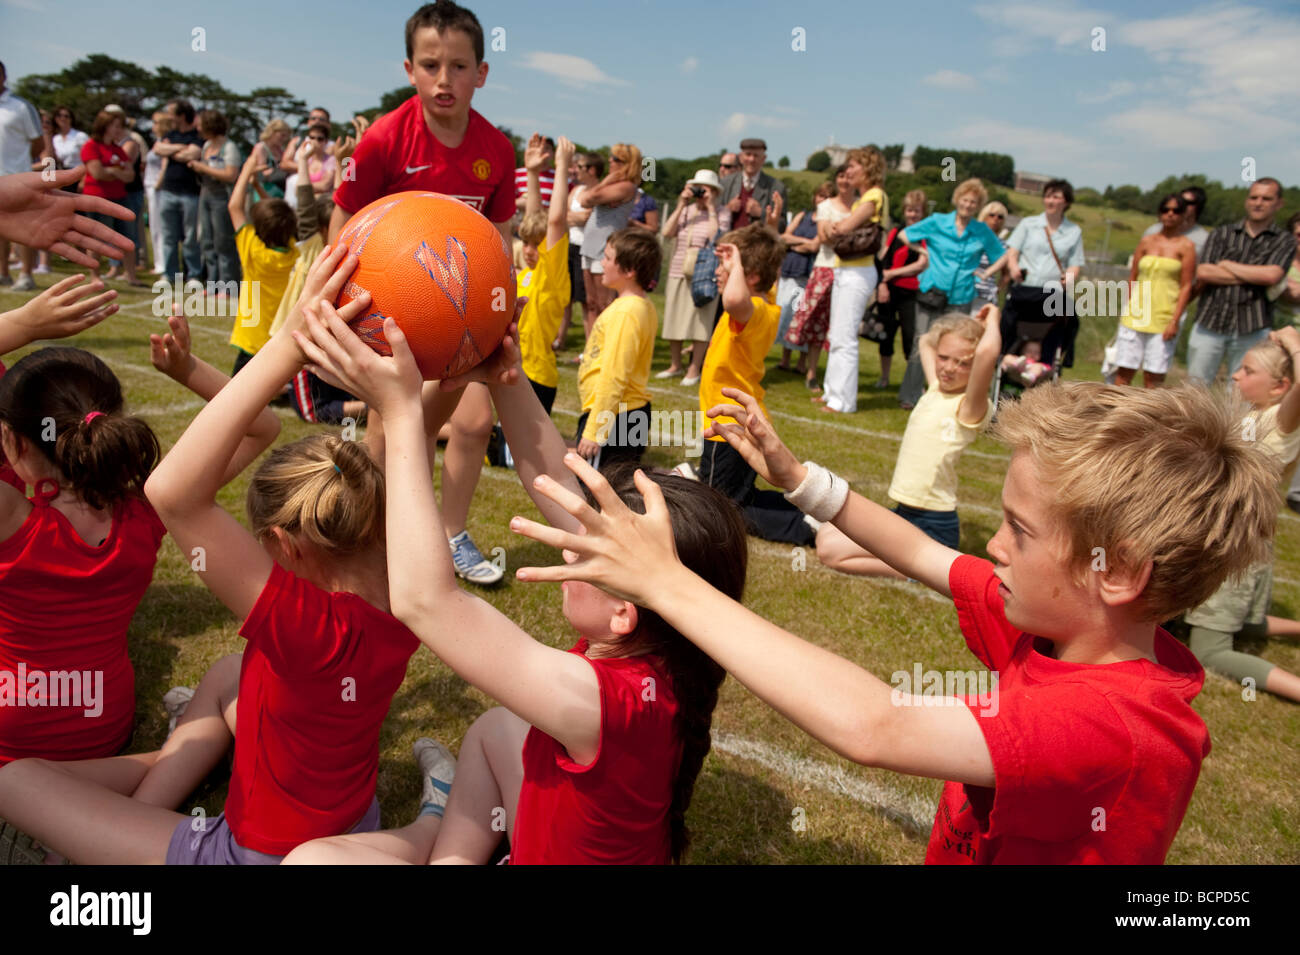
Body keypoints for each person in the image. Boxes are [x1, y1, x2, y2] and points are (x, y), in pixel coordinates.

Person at [511, 379, 1279, 864]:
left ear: (1118, 573)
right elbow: (920, 550)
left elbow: (874, 725)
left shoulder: (1118, 727)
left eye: (1018, 527)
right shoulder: (1059, 625)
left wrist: (665, 582)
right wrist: (802, 480)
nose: (994, 545)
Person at [282, 303, 746, 865]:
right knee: (497, 731)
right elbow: (555, 482)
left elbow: (426, 601)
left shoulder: (597, 702)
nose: (569, 539)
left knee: (312, 861)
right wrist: (506, 375)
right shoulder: (664, 651)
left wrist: (405, 416)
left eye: (586, 547)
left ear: (624, 612)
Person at [0, 247, 423, 864]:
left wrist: (20, 328)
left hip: (46, 752)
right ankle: (147, 794)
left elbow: (183, 487)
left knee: (14, 784)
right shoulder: (411, 593)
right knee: (230, 671)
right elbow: (269, 435)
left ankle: (121, 821)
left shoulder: (302, 626)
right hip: (126, 728)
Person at [0, 276, 278, 768]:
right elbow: (263, 426)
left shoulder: (12, 518)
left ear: (15, 443)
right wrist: (188, 370)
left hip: (12, 741)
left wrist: (20, 326)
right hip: (105, 728)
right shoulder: (151, 507)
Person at [331, 0, 526, 587]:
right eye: (431, 64)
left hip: (463, 318)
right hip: (389, 317)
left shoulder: (497, 150)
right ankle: (378, 534)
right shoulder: (383, 141)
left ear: (482, 73)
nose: (446, 79)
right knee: (388, 427)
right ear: (410, 69)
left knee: (469, 424)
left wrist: (499, 311)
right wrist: (341, 311)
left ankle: (449, 534)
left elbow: (500, 240)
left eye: (460, 66)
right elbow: (341, 227)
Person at [818, 310, 1000, 577]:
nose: (949, 367)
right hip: (905, 513)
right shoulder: (937, 388)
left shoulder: (970, 405)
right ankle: (919, 560)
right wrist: (970, 325)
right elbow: (926, 339)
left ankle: (919, 567)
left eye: (962, 363)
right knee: (827, 531)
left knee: (829, 551)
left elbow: (987, 353)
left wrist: (992, 319)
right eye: (944, 357)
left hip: (932, 522)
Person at [1182, 328, 1300, 703]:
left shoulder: (1281, 422)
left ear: (1281, 386)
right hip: (1234, 546)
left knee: (1209, 651)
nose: (1236, 374)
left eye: (1248, 371)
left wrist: (1294, 344)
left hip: (1237, 550)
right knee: (1244, 625)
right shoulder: (1254, 416)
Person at [692, 223, 814, 546]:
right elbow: (766, 262)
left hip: (728, 425)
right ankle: (806, 512)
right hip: (741, 421)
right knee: (735, 494)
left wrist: (737, 266)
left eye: (726, 266)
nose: (719, 271)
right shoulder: (765, 303)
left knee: (725, 507)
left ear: (752, 276)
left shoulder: (752, 309)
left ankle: (803, 526)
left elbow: (733, 299)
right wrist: (767, 232)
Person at [896, 179, 1005, 409]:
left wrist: (987, 274)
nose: (967, 205)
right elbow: (905, 235)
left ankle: (946, 397)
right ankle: (910, 395)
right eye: (964, 200)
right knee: (922, 342)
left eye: (973, 202)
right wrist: (922, 252)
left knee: (955, 349)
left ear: (977, 206)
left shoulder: (982, 231)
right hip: (932, 290)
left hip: (962, 295)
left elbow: (1002, 256)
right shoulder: (937, 222)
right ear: (957, 200)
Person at [1186, 178, 1296, 385]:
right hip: (1210, 321)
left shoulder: (1284, 240)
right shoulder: (1222, 233)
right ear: (1247, 200)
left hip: (1253, 326)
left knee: (1243, 392)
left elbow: (1271, 276)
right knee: (1194, 388)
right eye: (1254, 197)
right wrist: (1255, 274)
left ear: (1279, 203)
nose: (1258, 203)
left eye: (1266, 198)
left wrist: (1227, 264)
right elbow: (1204, 272)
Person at [576, 229, 661, 467]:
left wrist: (595, 430)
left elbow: (615, 374)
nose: (602, 263)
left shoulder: (626, 311)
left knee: (594, 495)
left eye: (608, 258)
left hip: (614, 418)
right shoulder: (640, 305)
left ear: (629, 270)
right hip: (623, 414)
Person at [818, 146, 889, 414]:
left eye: (854, 165)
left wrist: (833, 226)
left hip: (857, 272)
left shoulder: (873, 195)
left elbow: (843, 227)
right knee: (837, 334)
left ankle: (843, 401)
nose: (849, 170)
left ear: (867, 167)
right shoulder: (865, 198)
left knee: (845, 337)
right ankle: (831, 393)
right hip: (847, 269)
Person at [995, 178, 1086, 376]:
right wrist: (1014, 268)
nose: (1050, 201)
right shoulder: (1029, 224)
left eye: (1056, 196)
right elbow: (1013, 251)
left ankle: (1056, 358)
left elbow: (1075, 263)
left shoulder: (1074, 231)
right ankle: (1005, 353)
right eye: (1047, 196)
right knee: (1009, 317)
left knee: (1071, 316)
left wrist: (1069, 278)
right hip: (1025, 289)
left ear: (1066, 202)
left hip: (1051, 291)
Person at [515, 133, 574, 414]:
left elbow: (555, 219)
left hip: (537, 377)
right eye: (525, 243)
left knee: (515, 455)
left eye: (536, 245)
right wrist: (532, 173)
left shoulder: (552, 272)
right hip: (516, 369)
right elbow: (534, 220)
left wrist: (561, 167)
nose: (529, 249)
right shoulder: (527, 273)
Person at [1112, 193, 1196, 389]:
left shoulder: (1186, 246)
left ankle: (1148, 418)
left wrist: (1175, 320)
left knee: (1153, 378)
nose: (1170, 214)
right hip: (1135, 314)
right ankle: (1115, 415)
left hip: (1163, 316)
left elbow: (1186, 286)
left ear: (1184, 215)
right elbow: (1132, 276)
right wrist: (1127, 306)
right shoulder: (1147, 242)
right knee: (1123, 373)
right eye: (1166, 209)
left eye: (1176, 211)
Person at [227, 150, 298, 375]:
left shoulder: (253, 249)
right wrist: (258, 187)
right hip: (279, 338)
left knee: (235, 394)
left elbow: (234, 207)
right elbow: (279, 216)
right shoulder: (295, 251)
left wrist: (247, 168)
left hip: (252, 339)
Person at [786, 165, 855, 391]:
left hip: (851, 270)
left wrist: (836, 230)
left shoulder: (861, 206)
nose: (845, 180)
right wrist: (850, 232)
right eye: (841, 176)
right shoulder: (826, 206)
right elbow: (824, 238)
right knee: (816, 323)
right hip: (825, 268)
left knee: (841, 327)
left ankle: (835, 378)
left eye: (849, 176)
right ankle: (812, 372)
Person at [657, 169, 721, 384]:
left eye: (706, 188)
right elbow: (666, 233)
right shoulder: (686, 210)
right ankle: (675, 364)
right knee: (674, 318)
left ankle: (694, 369)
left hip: (704, 273)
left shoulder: (722, 212)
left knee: (701, 322)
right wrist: (681, 205)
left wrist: (711, 208)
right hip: (678, 269)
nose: (701, 192)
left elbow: (717, 238)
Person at [872, 189, 930, 388]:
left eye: (917, 211)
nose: (912, 214)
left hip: (912, 293)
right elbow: (884, 258)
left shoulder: (925, 236)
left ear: (922, 213)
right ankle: (884, 377)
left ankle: (912, 383)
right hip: (889, 290)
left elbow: (922, 263)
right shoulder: (896, 232)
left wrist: (893, 274)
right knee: (885, 335)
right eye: (909, 210)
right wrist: (882, 282)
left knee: (910, 336)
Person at [579, 143, 640, 324]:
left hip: (604, 250)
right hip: (589, 248)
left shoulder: (627, 186)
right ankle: (590, 349)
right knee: (591, 303)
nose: (610, 162)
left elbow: (589, 198)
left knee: (604, 304)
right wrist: (605, 183)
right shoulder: (612, 185)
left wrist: (603, 184)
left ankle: (605, 348)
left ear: (627, 164)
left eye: (615, 159)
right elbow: (585, 200)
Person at [79, 109, 142, 286]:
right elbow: (97, 173)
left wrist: (113, 172)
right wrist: (116, 171)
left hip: (120, 197)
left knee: (127, 238)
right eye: (115, 126)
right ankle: (95, 276)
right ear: (104, 126)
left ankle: (131, 276)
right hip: (97, 199)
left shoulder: (117, 149)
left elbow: (131, 175)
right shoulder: (91, 145)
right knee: (96, 239)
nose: (118, 130)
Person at [151, 99, 204, 284]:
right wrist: (181, 148)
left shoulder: (197, 135)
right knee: (168, 235)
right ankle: (169, 274)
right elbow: (158, 148)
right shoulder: (171, 134)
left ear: (182, 115)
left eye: (172, 112)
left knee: (191, 237)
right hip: (168, 191)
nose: (169, 116)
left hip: (191, 193)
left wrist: (170, 151)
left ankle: (193, 275)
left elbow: (194, 154)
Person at [772, 185, 823, 377]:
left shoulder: (825, 221)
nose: (821, 199)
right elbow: (784, 237)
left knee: (800, 315)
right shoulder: (803, 215)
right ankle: (785, 358)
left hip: (806, 274)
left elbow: (814, 246)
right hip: (789, 269)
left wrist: (797, 243)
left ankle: (801, 362)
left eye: (825, 196)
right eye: (819, 195)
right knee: (785, 312)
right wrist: (802, 243)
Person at [0, 61, 43, 291]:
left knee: (24, 228)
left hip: (17, 177)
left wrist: (21, 164)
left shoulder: (20, 107)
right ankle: (3, 272)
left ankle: (26, 274)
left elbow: (38, 143)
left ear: (4, 76)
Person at [188, 109, 242, 290]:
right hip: (206, 193)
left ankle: (228, 285)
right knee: (207, 241)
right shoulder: (206, 145)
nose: (198, 127)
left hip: (222, 197)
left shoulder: (229, 147)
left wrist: (202, 168)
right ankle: (212, 284)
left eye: (201, 123)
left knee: (223, 242)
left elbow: (230, 174)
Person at [553, 151, 600, 352]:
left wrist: (572, 216)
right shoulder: (576, 190)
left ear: (591, 170)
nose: (576, 170)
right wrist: (575, 216)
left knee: (587, 300)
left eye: (580, 167)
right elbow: (563, 214)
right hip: (570, 245)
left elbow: (587, 217)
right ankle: (559, 339)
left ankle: (590, 347)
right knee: (565, 297)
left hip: (587, 248)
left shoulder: (599, 190)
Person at [717, 138, 787, 230]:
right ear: (741, 157)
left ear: (763, 159)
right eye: (748, 154)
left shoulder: (776, 187)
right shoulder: (725, 183)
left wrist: (761, 214)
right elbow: (709, 215)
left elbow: (782, 225)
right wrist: (726, 209)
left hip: (759, 243)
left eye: (756, 155)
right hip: (728, 242)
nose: (751, 159)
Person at [143, 110, 174, 274]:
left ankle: (162, 264)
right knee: (154, 227)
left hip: (158, 188)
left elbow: (165, 164)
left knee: (160, 227)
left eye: (155, 122)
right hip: (151, 186)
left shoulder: (166, 141)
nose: (153, 126)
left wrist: (157, 184)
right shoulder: (158, 141)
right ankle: (158, 262)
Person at [1144, 185, 1209, 259]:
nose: (1182, 204)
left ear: (1198, 206)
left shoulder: (1205, 239)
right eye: (1180, 201)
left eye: (1188, 202)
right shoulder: (1153, 230)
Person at [969, 201, 1008, 315]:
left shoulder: (1003, 245)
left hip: (986, 294)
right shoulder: (970, 238)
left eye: (1000, 217)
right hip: (965, 290)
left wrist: (997, 289)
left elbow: (1006, 274)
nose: (996, 219)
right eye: (992, 215)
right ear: (984, 216)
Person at [250, 119, 292, 198]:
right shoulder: (261, 147)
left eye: (286, 136)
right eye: (282, 135)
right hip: (264, 189)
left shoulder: (281, 150)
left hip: (279, 190)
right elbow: (260, 172)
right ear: (272, 132)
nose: (284, 139)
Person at [513, 135, 555, 211]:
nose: (542, 150)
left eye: (547, 148)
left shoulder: (561, 179)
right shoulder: (516, 174)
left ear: (553, 153)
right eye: (538, 147)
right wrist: (517, 203)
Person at [49, 106, 88, 174]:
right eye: (59, 115)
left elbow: (90, 157)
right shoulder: (55, 139)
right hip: (61, 174)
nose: (62, 118)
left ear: (71, 119)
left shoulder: (80, 136)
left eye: (66, 116)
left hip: (78, 173)